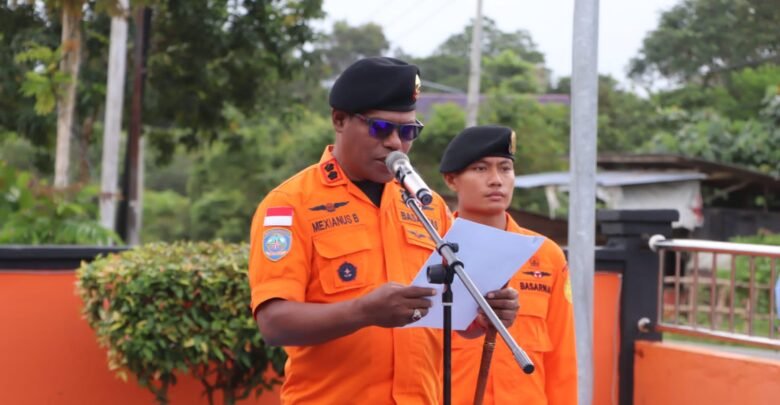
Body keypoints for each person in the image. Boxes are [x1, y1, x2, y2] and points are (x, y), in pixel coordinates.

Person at [248, 57, 520, 405]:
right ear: (339, 120)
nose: (395, 143)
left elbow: (452, 321)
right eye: (381, 128)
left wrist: (483, 313)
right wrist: (363, 312)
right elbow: (275, 323)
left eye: (408, 132)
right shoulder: (289, 205)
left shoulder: (428, 205)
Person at [439, 125, 577, 405]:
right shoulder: (433, 251)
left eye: (505, 168)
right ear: (452, 180)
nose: (496, 180)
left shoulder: (546, 254)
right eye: (480, 169)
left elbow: (562, 356)